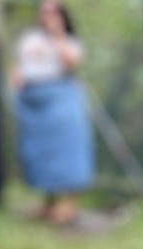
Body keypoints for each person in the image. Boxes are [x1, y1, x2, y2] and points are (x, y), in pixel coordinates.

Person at [10, 0, 94, 225]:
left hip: (61, 98)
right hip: (33, 102)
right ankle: (48, 203)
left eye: (52, 11)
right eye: (43, 11)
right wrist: (16, 79)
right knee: (40, 151)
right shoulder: (30, 39)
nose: (46, 15)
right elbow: (20, 65)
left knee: (67, 148)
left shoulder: (69, 41)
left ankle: (69, 204)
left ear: (62, 15)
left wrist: (57, 35)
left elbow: (71, 64)